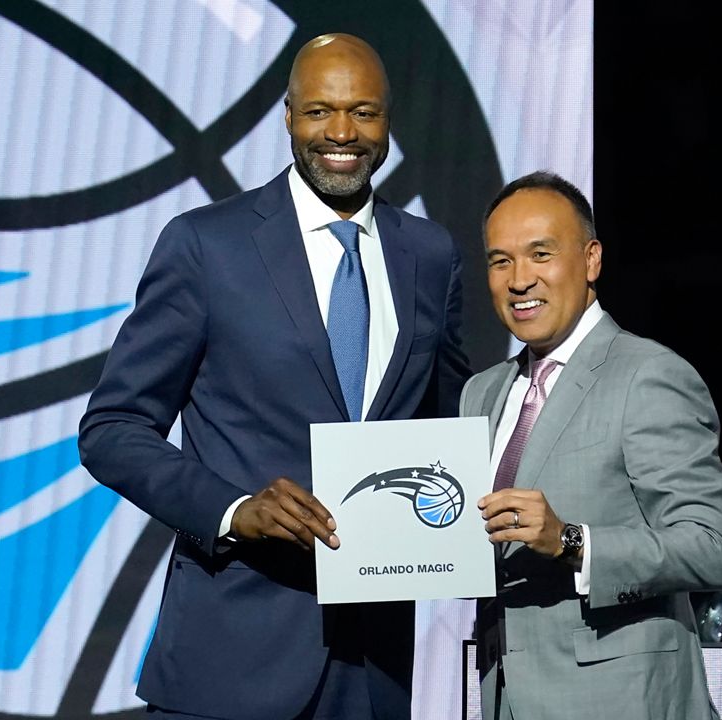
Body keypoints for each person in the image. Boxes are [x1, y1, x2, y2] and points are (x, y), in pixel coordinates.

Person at [78, 33, 469, 720]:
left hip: (375, 669)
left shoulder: (431, 256)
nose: (341, 132)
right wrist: (235, 509)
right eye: (319, 111)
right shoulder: (207, 246)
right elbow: (112, 430)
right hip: (230, 654)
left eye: (363, 112)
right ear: (287, 117)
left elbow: (451, 425)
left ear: (388, 122)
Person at [463, 171, 722, 720]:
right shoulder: (482, 391)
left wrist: (573, 541)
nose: (519, 280)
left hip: (620, 700)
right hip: (504, 698)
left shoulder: (649, 375)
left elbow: (713, 548)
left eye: (541, 254)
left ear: (591, 260)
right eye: (500, 261)